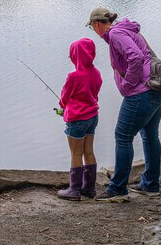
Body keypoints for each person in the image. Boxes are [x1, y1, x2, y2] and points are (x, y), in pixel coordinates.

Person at [86, 7, 161, 202]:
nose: (94, 31)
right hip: (156, 89)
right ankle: (151, 184)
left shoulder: (115, 34)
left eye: (92, 27)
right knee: (149, 136)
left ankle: (118, 188)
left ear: (97, 24)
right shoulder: (126, 30)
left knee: (122, 137)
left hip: (142, 92)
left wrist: (129, 83)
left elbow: (136, 57)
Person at [57, 38, 103, 201]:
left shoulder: (73, 76)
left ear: (75, 56)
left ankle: (74, 190)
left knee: (76, 154)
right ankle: (89, 188)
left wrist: (62, 106)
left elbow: (64, 98)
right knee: (88, 151)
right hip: (92, 116)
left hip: (76, 120)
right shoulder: (96, 73)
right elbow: (95, 93)